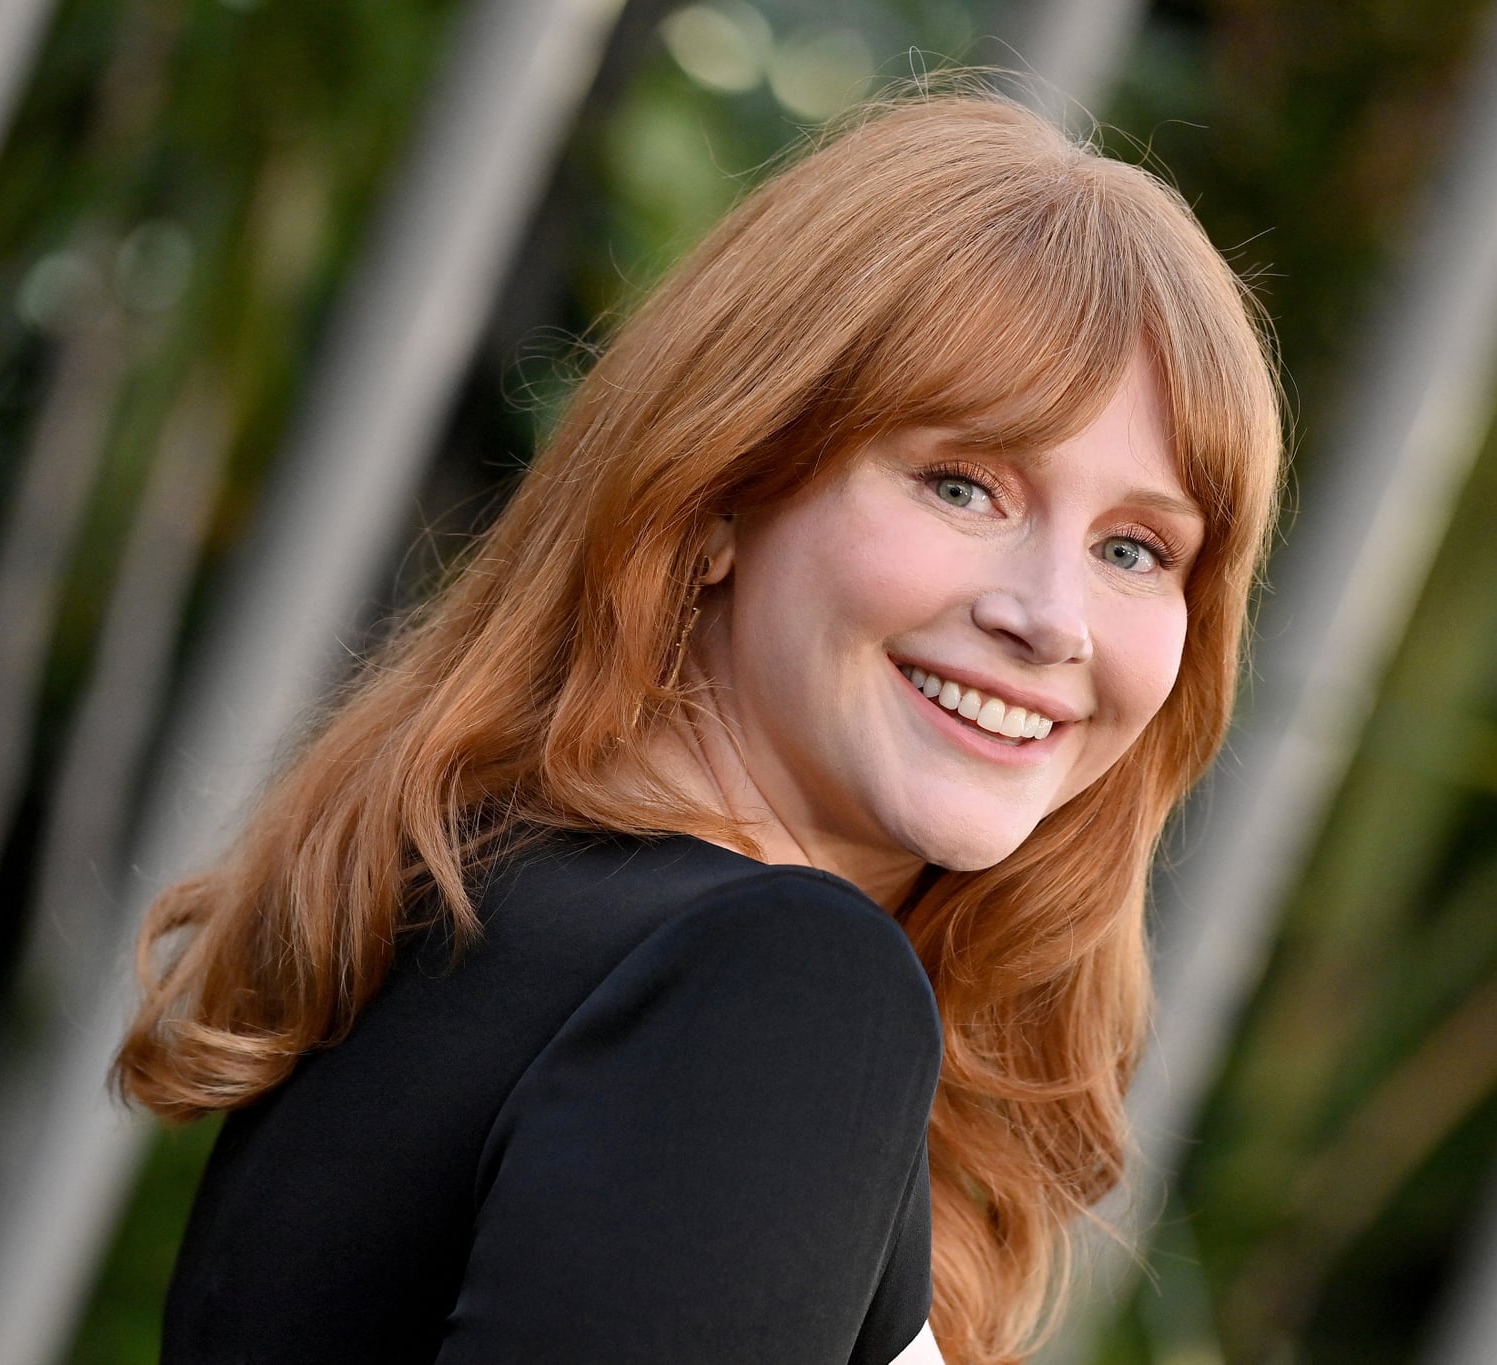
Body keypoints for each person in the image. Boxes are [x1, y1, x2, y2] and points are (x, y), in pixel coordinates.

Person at [115, 89, 1283, 1365]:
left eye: (1133, 547)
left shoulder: (461, 912)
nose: (1050, 618)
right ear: (720, 490)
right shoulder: (777, 986)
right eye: (963, 484)